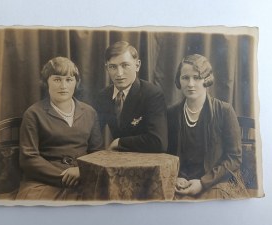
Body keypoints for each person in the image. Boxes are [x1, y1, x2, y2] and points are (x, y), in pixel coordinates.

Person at [16, 57, 102, 200]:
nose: (63, 86)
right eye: (57, 79)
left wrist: (82, 171)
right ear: (46, 82)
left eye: (69, 80)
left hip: (83, 177)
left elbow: (97, 152)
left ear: (76, 83)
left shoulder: (89, 112)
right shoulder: (33, 113)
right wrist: (65, 177)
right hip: (44, 181)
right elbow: (28, 159)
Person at [167, 54, 248, 200]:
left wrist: (203, 183)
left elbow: (234, 158)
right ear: (179, 80)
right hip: (182, 182)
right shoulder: (172, 113)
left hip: (216, 181)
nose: (190, 83)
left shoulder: (224, 111)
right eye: (185, 78)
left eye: (196, 78)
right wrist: (176, 176)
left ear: (206, 79)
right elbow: (167, 153)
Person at [94, 41, 167, 153]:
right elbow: (93, 134)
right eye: (113, 67)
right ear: (106, 68)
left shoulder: (152, 94)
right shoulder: (103, 96)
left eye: (125, 65)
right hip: (118, 160)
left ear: (137, 66)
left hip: (147, 161)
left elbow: (158, 141)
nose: (119, 73)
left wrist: (118, 142)